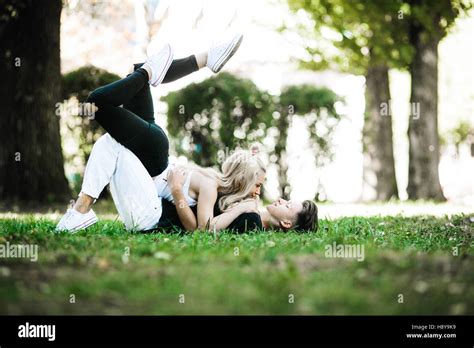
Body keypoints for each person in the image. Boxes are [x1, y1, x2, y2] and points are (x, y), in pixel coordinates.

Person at [56, 34, 266, 233]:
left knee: (101, 101)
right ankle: (203, 59)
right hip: (155, 161)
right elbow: (203, 226)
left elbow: (201, 228)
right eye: (257, 184)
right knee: (133, 75)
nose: (258, 192)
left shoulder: (212, 184)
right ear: (242, 179)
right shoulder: (212, 181)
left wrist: (176, 190)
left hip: (155, 166)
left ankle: (189, 62)